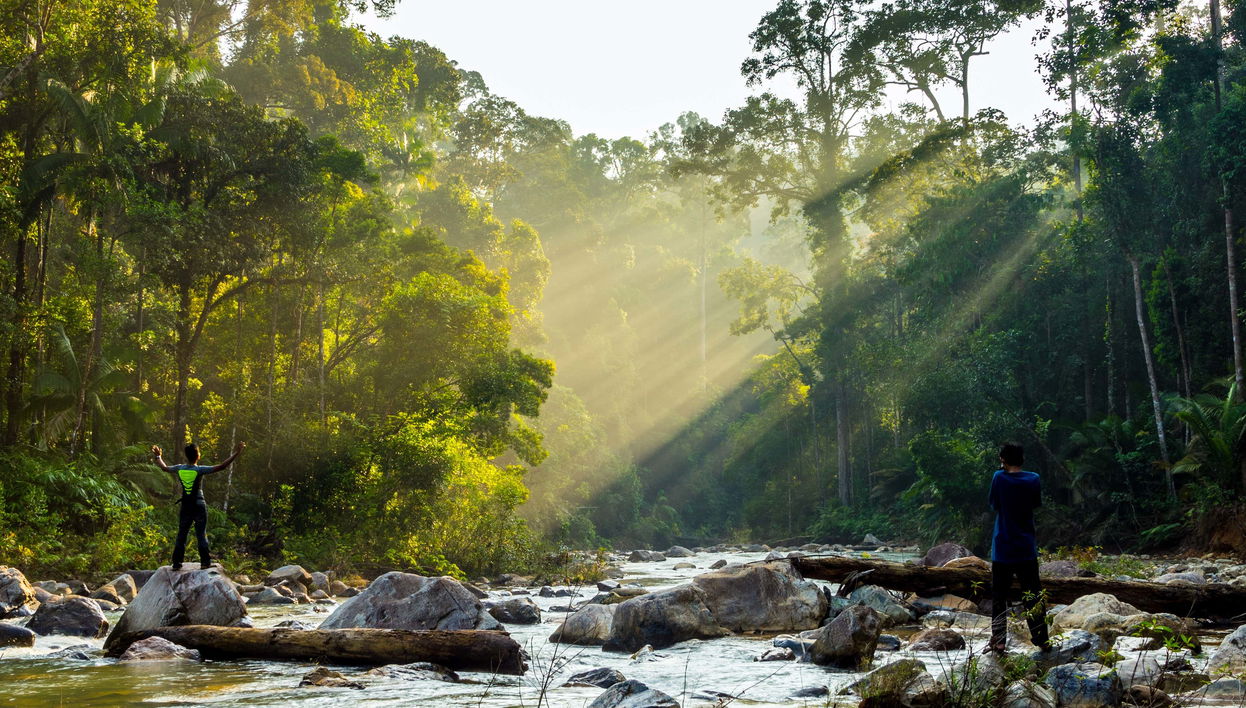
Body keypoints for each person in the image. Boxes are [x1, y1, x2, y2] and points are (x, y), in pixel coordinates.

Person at [987, 442, 1050, 653]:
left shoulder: (999, 478)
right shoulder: (1033, 479)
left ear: (1003, 460)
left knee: (999, 596)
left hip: (1003, 546)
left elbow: (994, 504)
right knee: (1032, 594)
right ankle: (1041, 639)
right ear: (1022, 459)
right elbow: (1035, 504)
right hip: (1025, 546)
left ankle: (999, 640)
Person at [152, 441, 245, 571]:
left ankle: (177, 563)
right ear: (198, 456)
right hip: (199, 503)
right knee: (201, 533)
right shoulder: (199, 470)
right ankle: (205, 562)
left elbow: (165, 468)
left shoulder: (180, 468)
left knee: (182, 534)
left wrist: (158, 457)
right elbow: (222, 466)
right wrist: (237, 453)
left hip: (186, 505)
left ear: (186, 456)